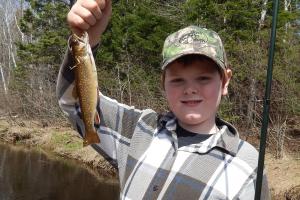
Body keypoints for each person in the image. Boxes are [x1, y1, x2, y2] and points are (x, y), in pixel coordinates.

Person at [56, 0, 270, 199]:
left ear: (225, 82)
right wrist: (85, 40)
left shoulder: (249, 165)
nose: (190, 89)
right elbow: (74, 103)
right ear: (163, 83)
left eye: (203, 78)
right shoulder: (137, 129)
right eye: (177, 80)